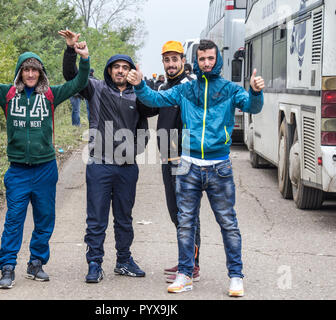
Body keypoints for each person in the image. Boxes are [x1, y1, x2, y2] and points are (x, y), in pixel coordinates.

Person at [127, 39, 265, 296]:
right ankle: (185, 274)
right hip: (188, 165)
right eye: (202, 59)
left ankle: (236, 276)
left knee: (228, 223)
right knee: (186, 223)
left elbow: (251, 107)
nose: (206, 63)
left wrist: (256, 92)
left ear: (217, 60)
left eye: (210, 58)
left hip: (219, 167)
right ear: (197, 61)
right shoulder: (186, 89)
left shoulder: (228, 89)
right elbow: (155, 98)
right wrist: (138, 85)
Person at [0, 39, 90, 289]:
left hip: (45, 170)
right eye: (26, 69)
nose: (31, 74)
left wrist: (83, 59)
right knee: (14, 221)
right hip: (18, 171)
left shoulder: (51, 95)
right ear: (20, 72)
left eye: (35, 70)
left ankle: (36, 264)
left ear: (40, 73)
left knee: (44, 220)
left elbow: (79, 82)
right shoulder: (7, 94)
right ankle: (8, 267)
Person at [59, 29, 150, 284]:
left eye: (125, 67)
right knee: (96, 218)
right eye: (116, 67)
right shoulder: (96, 89)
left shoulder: (138, 95)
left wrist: (140, 85)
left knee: (124, 218)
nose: (120, 71)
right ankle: (95, 263)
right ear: (109, 70)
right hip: (99, 164)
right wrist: (72, 51)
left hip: (127, 167)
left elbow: (152, 111)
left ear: (131, 71)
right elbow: (70, 75)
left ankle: (123, 261)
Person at [137, 41, 201, 283]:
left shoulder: (191, 86)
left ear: (183, 61)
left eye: (175, 59)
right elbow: (148, 109)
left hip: (186, 159)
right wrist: (138, 85)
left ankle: (192, 265)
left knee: (187, 213)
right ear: (163, 62)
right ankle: (186, 260)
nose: (171, 64)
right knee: (176, 213)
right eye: (167, 60)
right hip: (168, 158)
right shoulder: (165, 86)